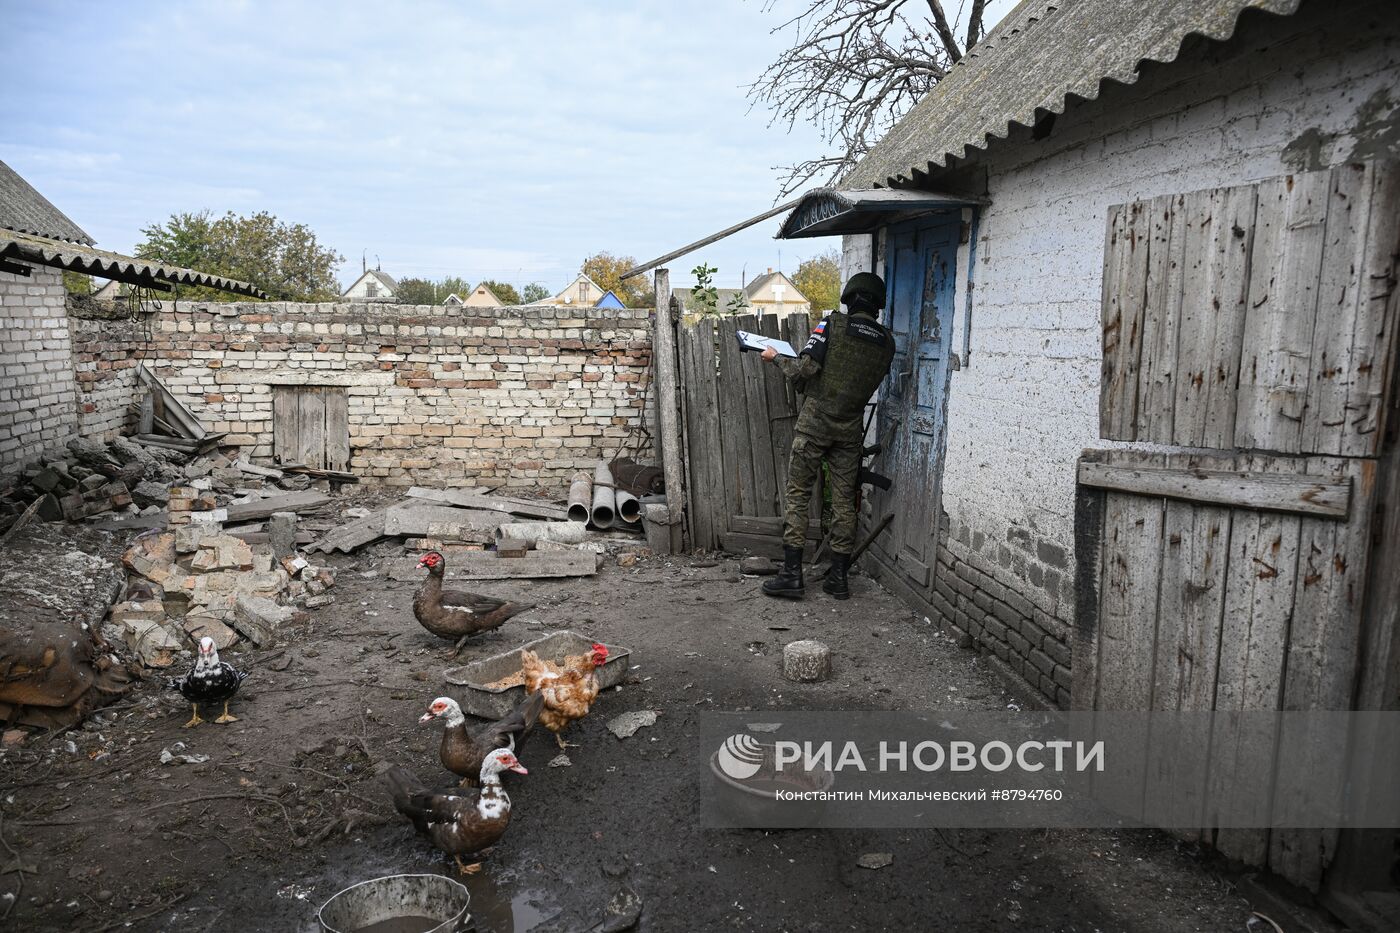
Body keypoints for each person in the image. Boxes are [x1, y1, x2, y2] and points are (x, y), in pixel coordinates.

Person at [759, 271, 895, 600]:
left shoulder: (833, 325)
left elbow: (805, 370)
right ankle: (839, 579)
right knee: (845, 502)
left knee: (798, 495)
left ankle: (792, 576)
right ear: (877, 304)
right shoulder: (887, 342)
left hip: (815, 424)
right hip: (849, 430)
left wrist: (776, 359)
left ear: (850, 297)